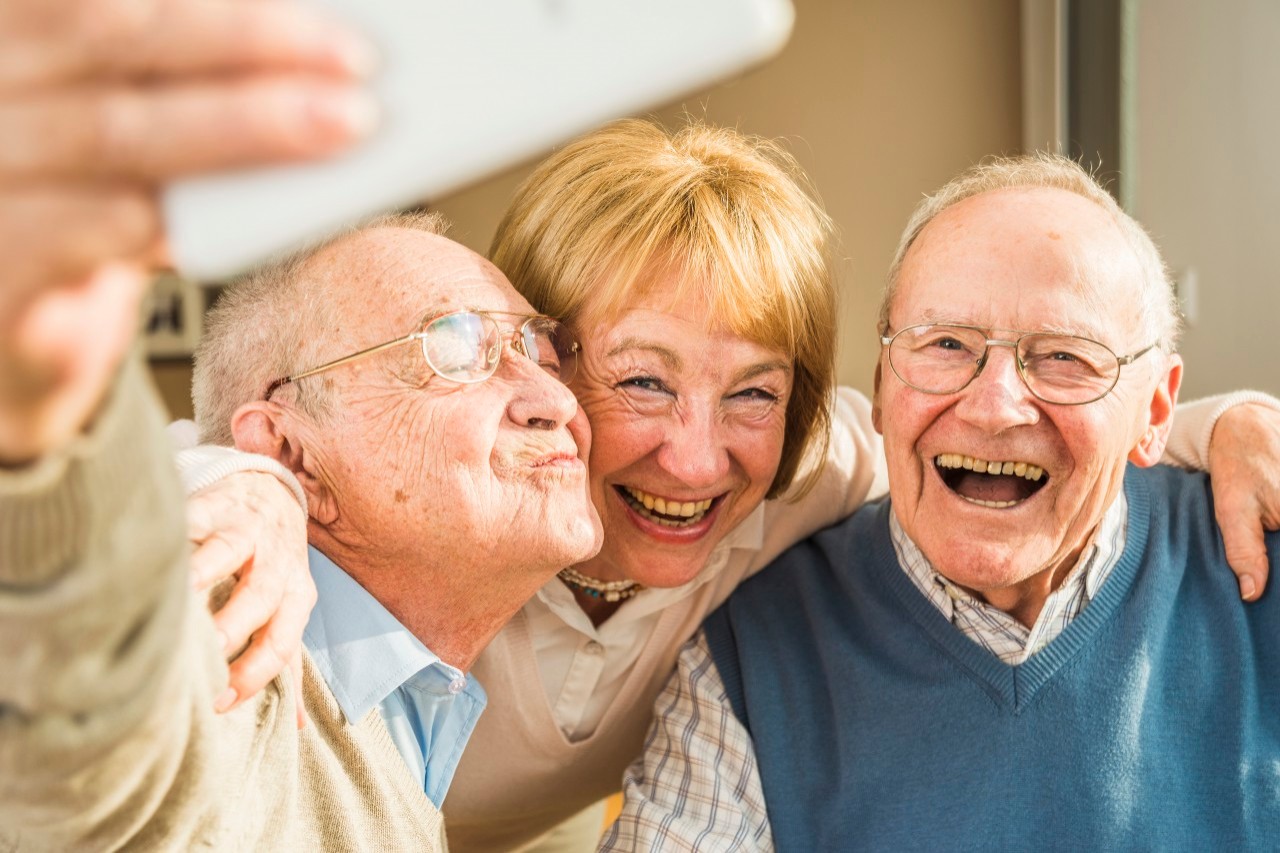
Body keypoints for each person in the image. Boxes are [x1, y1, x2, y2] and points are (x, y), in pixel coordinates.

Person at [184, 120, 1280, 852]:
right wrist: (247, 481)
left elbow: (1030, 424)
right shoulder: (419, 500)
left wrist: (1225, 426)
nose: (698, 459)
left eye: (752, 394)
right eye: (640, 381)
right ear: (540, 368)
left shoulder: (814, 471)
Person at [0, 1, 606, 846]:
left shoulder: (424, 724)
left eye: (537, 345)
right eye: (456, 347)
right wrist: (45, 406)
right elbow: (88, 709)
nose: (553, 397)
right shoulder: (232, 647)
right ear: (290, 451)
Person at [604, 153, 1280, 851]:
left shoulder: (1258, 556)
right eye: (946, 343)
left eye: (1064, 357)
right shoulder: (751, 655)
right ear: (880, 382)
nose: (993, 407)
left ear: (1158, 406)